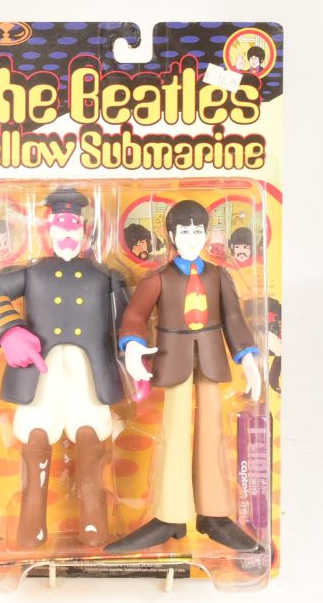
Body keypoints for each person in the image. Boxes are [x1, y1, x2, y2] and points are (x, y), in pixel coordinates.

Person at [0, 188, 128, 548]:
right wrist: (8, 331)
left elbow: (129, 320)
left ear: (86, 230)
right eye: (61, 222)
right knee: (36, 442)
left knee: (90, 442)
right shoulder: (33, 272)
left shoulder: (106, 276)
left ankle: (95, 523)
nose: (68, 231)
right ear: (48, 229)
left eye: (74, 223)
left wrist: (134, 354)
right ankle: (30, 524)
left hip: (89, 375)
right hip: (40, 375)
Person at [105, 200, 261, 553]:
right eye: (185, 231)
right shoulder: (158, 278)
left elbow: (234, 319)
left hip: (211, 356)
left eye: (198, 231)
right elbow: (135, 316)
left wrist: (248, 359)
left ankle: (214, 515)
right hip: (172, 357)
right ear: (172, 236)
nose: (192, 238)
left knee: (212, 431)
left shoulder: (218, 275)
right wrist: (132, 346)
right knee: (174, 432)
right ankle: (170, 515)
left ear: (206, 234)